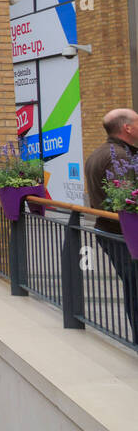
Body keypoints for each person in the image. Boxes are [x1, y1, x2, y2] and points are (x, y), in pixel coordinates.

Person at [85, 108, 138, 341]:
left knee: (133, 287)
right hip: (123, 234)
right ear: (127, 128)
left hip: (112, 232)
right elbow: (128, 200)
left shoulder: (100, 153)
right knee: (135, 288)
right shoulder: (121, 157)